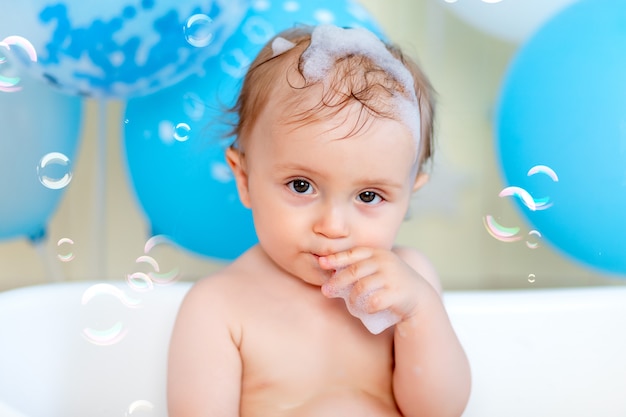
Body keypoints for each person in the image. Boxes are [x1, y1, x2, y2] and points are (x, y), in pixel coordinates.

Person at [167, 24, 471, 417]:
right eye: (301, 185)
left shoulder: (410, 281)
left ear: (410, 193)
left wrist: (420, 312)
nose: (332, 225)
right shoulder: (218, 307)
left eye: (368, 196)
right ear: (244, 179)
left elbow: (439, 411)